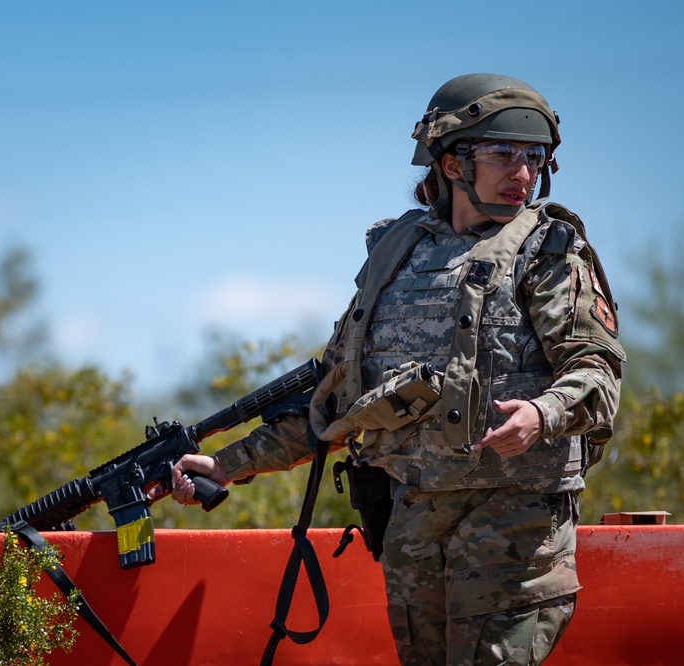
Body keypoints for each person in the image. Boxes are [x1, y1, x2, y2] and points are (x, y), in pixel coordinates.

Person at [167, 73, 625, 666]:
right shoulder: (396, 254)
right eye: (503, 154)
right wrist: (226, 464)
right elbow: (337, 403)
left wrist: (543, 412)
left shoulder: (549, 251)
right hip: (414, 520)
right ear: (452, 164)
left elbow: (597, 373)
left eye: (534, 157)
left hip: (515, 518)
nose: (523, 173)